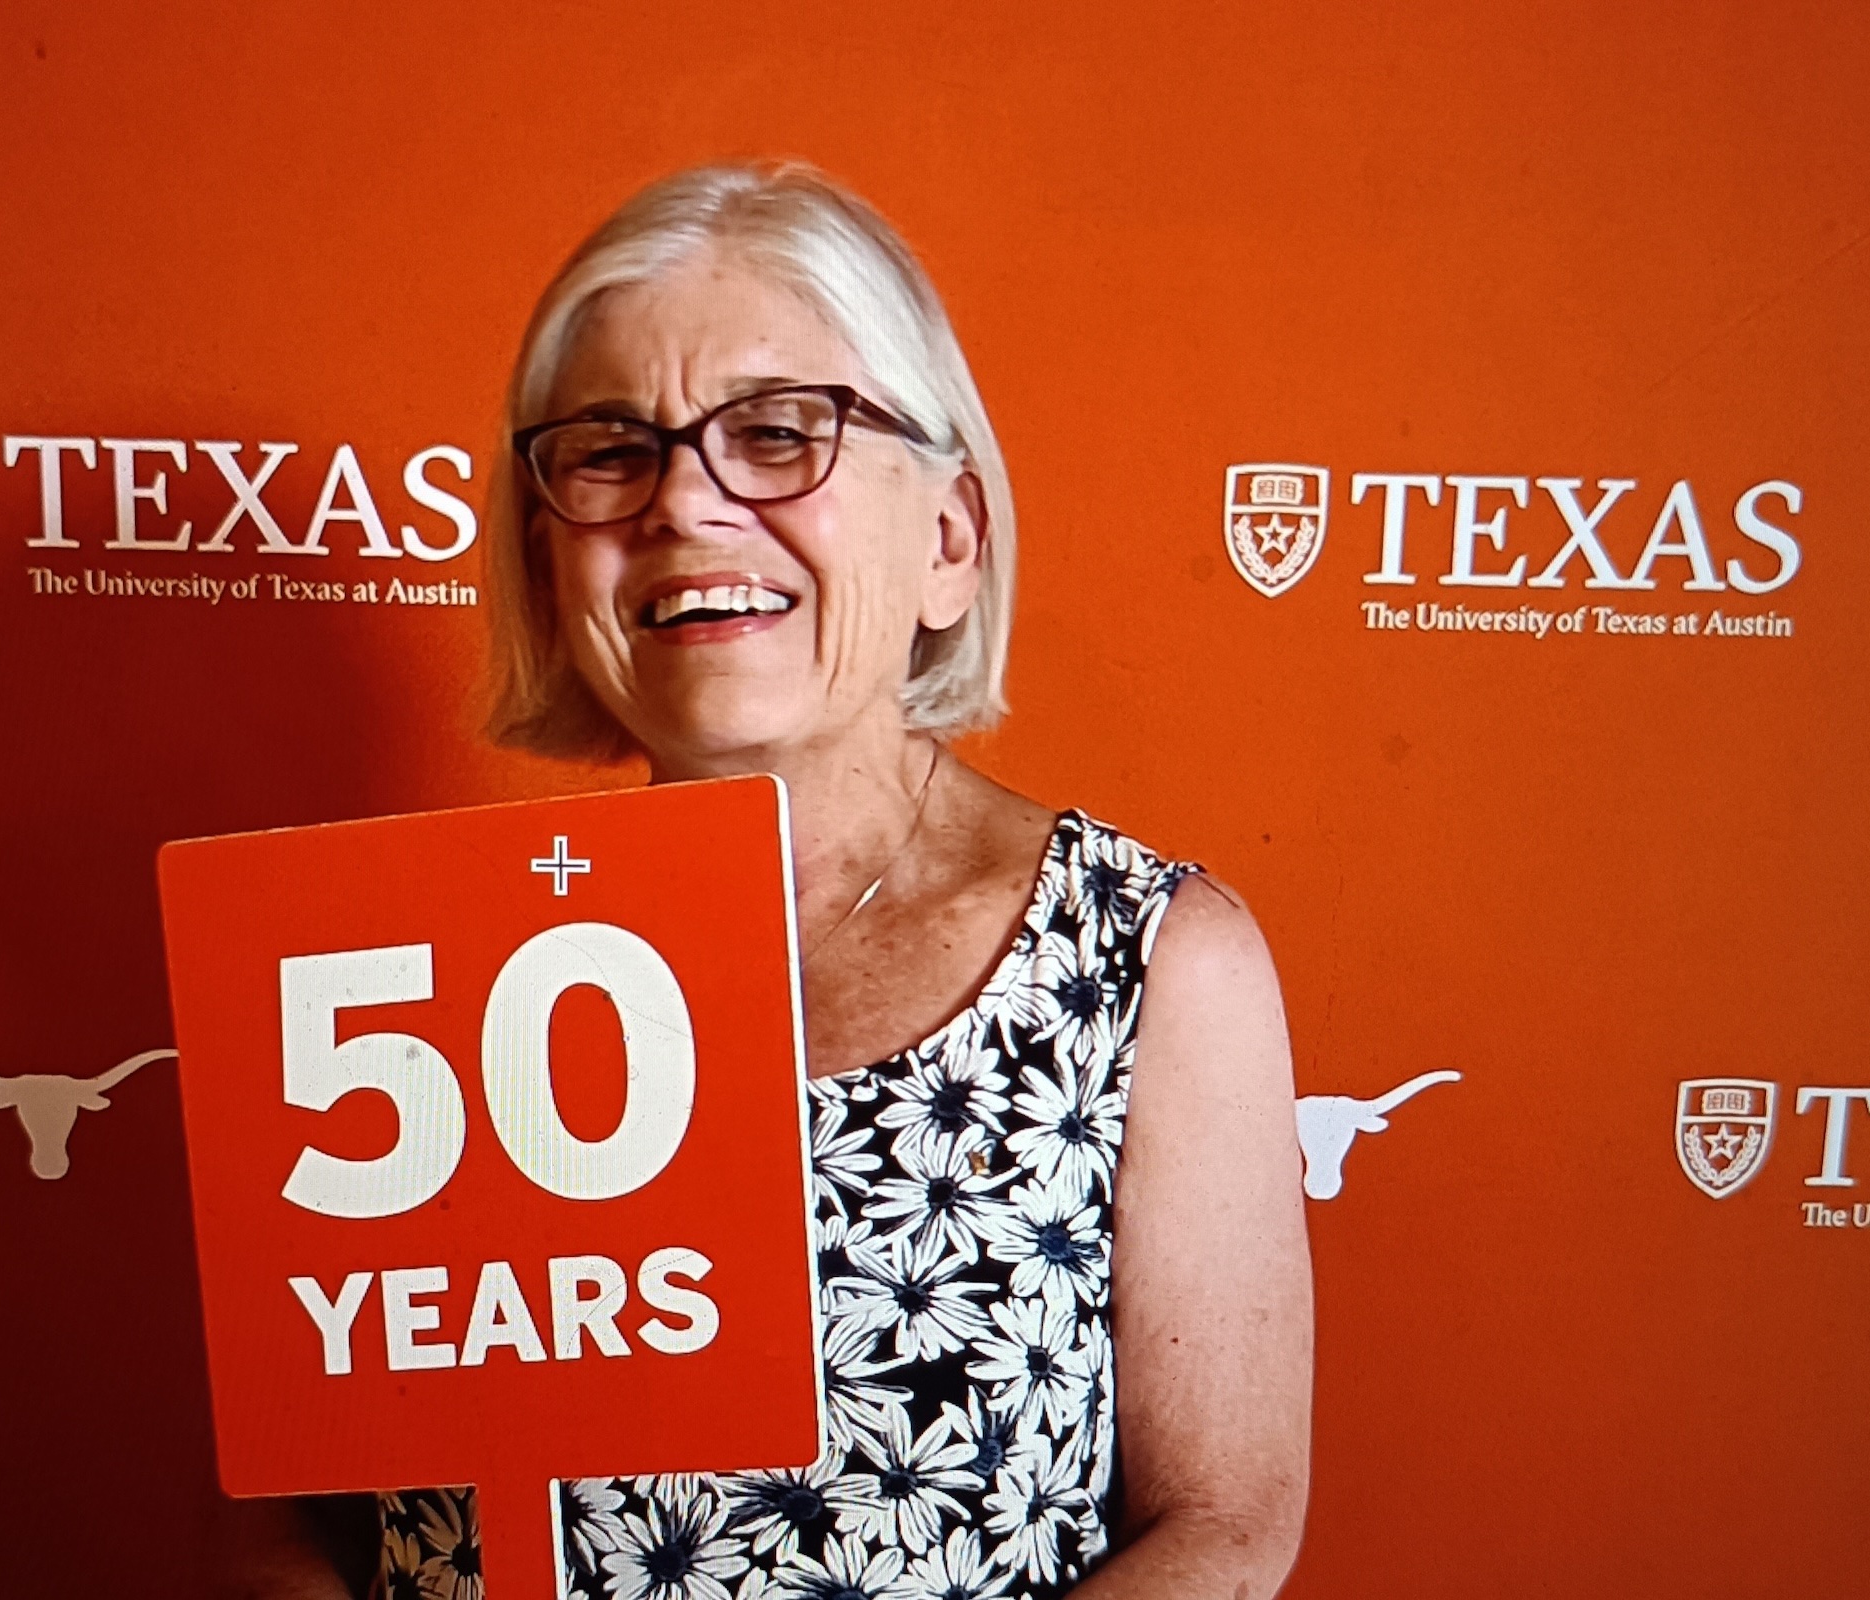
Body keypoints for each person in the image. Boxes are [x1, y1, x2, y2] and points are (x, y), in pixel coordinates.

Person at [227, 160, 1312, 1600]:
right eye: (614, 450)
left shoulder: (1154, 962)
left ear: (947, 539)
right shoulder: (391, 976)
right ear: (550, 559)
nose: (687, 501)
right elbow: (281, 1521)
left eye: (779, 433)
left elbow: (1227, 1528)